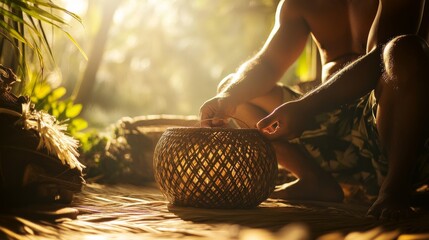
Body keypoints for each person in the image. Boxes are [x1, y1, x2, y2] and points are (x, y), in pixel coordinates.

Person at [200, 0, 429, 220]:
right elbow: (268, 64)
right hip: (330, 127)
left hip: (393, 125)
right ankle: (314, 178)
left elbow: (380, 56)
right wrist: (229, 96)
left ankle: (396, 185)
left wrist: (306, 107)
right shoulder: (302, 3)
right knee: (236, 92)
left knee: (404, 49)